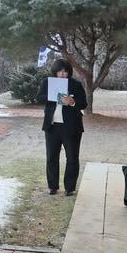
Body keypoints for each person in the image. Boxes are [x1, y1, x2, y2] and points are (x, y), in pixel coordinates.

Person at [40, 59, 87, 196]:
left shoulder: (75, 84)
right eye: (59, 71)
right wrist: (53, 97)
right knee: (51, 157)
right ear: (55, 72)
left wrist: (72, 102)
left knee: (72, 158)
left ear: (69, 72)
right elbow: (39, 98)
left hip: (72, 127)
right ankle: (52, 186)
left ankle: (69, 188)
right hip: (52, 126)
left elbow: (83, 103)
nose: (62, 74)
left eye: (65, 71)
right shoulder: (47, 82)